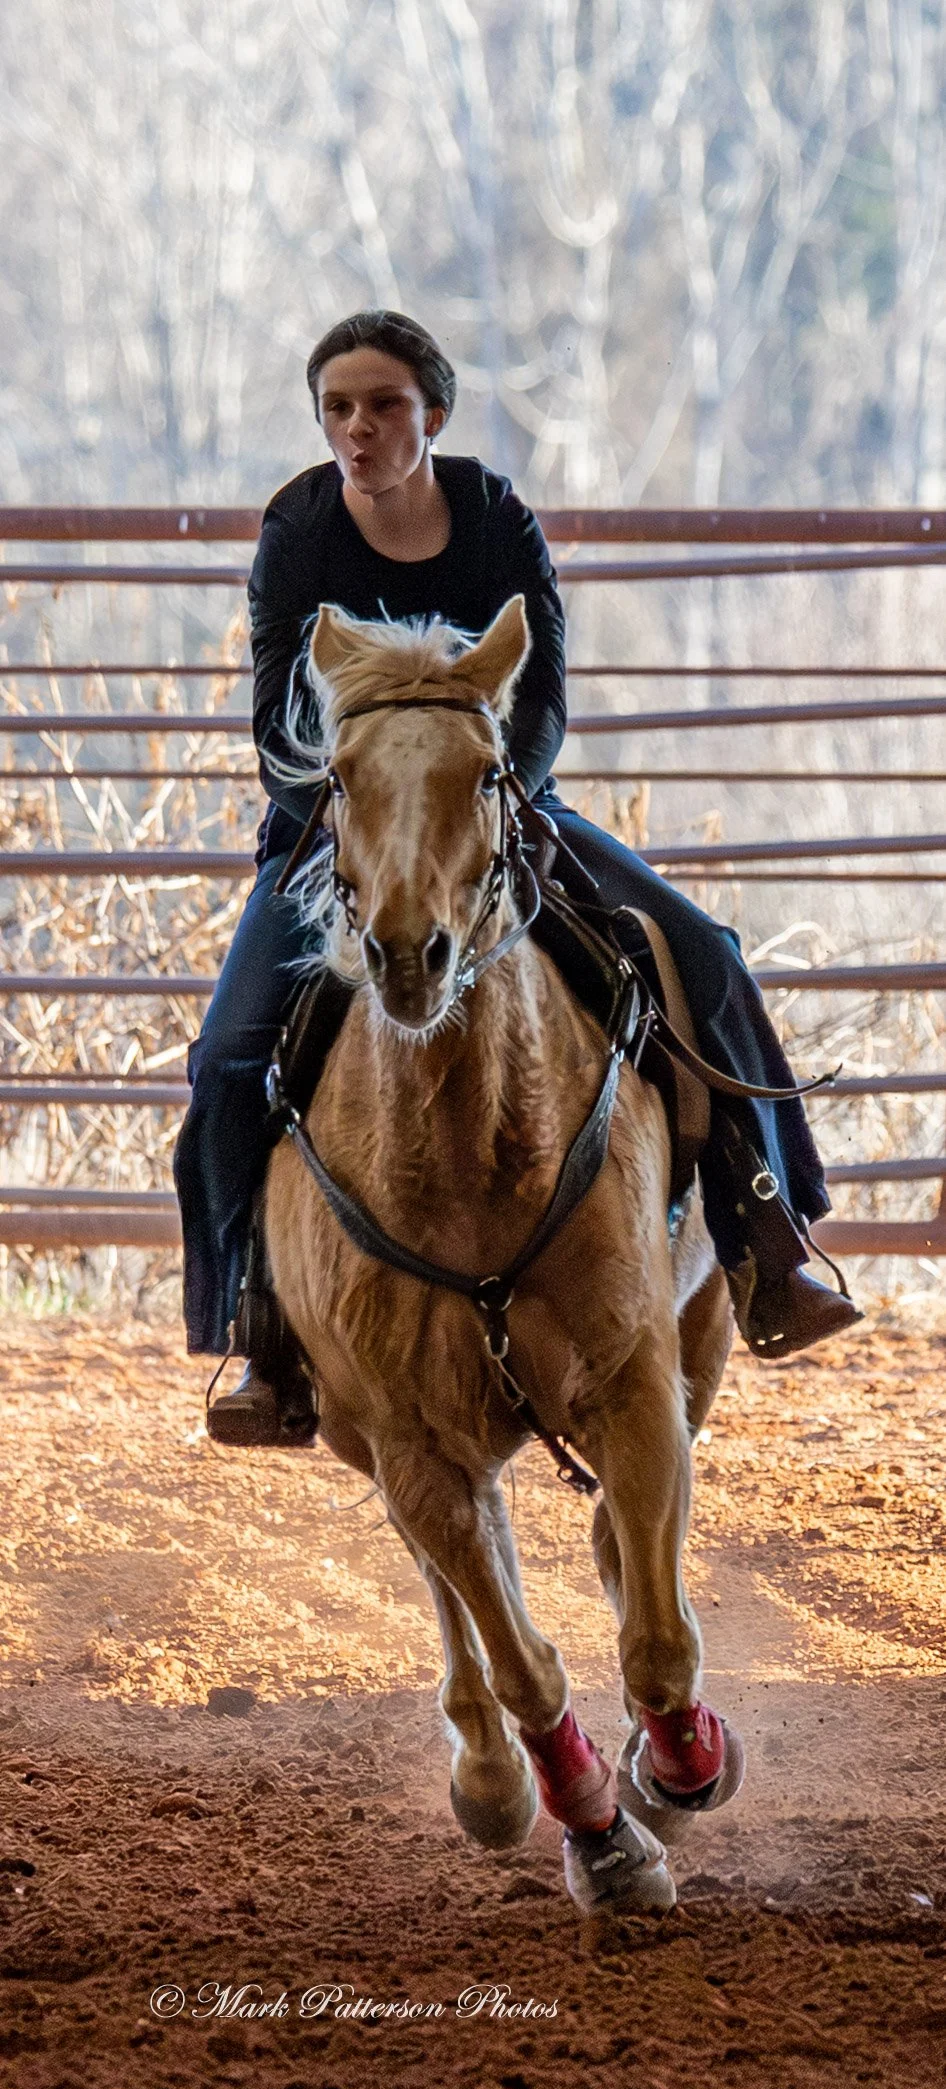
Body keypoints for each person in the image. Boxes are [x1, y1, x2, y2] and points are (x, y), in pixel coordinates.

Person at [173, 309, 858, 1442]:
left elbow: (539, 699)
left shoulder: (495, 519)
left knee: (704, 955)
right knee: (232, 1053)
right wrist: (350, 823)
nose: (357, 428)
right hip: (337, 825)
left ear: (430, 415)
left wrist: (500, 805)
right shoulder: (295, 531)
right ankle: (257, 1338)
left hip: (493, 809)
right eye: (337, 409)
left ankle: (765, 1243)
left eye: (382, 405)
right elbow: (275, 721)